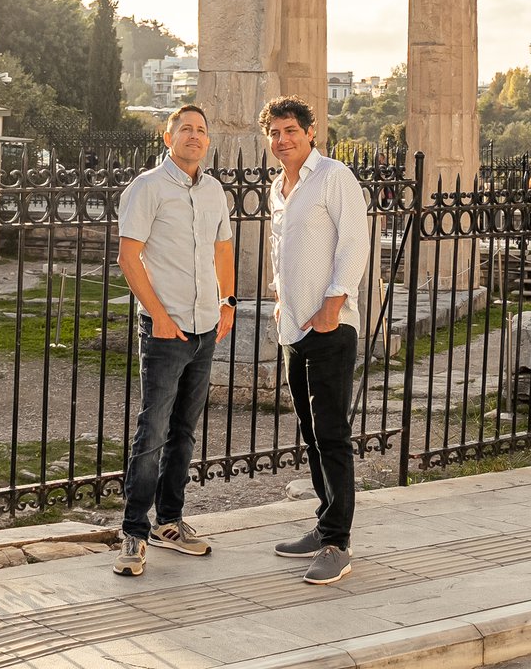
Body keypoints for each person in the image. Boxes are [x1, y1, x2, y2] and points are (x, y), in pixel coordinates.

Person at [110, 104, 236, 577]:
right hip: (166, 331)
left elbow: (223, 248)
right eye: (185, 129)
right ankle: (133, 532)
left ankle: (170, 522)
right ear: (168, 138)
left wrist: (228, 302)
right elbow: (128, 257)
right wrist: (159, 317)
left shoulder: (214, 191)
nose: (194, 136)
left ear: (208, 140)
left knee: (183, 431)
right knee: (153, 432)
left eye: (201, 130)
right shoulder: (147, 188)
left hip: (205, 328)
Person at [261, 95, 368, 586]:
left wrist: (332, 305)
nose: (282, 140)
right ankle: (325, 523)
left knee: (331, 434)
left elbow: (354, 243)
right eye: (274, 133)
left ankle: (337, 544)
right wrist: (278, 296)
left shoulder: (333, 176)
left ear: (310, 132)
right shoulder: (277, 188)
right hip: (293, 327)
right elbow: (279, 248)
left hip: (329, 325)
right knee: (310, 432)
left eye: (290, 130)